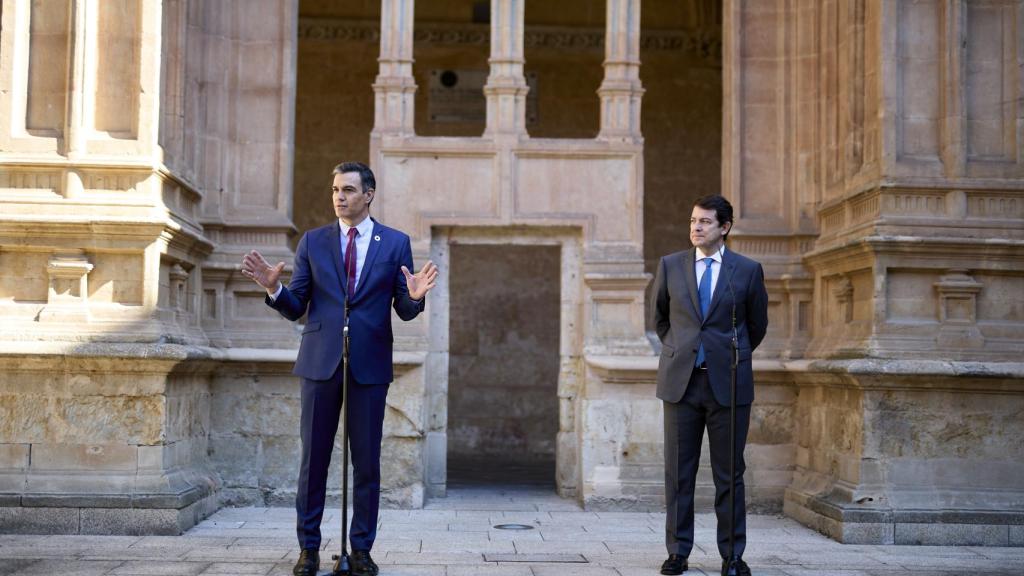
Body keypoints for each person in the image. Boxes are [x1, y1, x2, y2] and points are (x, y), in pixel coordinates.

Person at [240, 161, 438, 576]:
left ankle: (361, 550)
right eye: (335, 190)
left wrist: (416, 296)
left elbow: (404, 309)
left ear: (368, 194)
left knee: (366, 463)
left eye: (347, 190)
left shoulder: (395, 243)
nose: (339, 197)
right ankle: (308, 549)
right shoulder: (313, 242)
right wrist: (274, 288)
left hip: (369, 364)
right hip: (320, 361)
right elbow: (297, 304)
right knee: (313, 460)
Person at [652, 194, 768, 576]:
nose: (696, 227)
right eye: (693, 221)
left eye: (704, 221)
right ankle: (677, 553)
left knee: (729, 475)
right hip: (681, 384)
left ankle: (732, 556)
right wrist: (682, 350)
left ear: (725, 227)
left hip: (729, 383)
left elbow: (756, 326)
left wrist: (726, 354)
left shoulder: (747, 270)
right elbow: (661, 320)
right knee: (678, 473)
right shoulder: (670, 266)